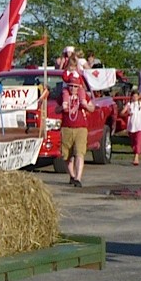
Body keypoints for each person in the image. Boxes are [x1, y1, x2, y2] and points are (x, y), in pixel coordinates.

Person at [59, 57, 96, 187]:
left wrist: (85, 105)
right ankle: (72, 176)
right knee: (67, 155)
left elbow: (93, 107)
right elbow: (57, 109)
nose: (73, 88)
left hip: (81, 127)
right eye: (72, 86)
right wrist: (63, 107)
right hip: (67, 127)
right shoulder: (64, 90)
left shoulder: (82, 92)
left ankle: (78, 178)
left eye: (75, 86)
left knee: (80, 153)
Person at [125, 90, 141, 166]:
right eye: (133, 96)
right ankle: (136, 152)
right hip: (131, 126)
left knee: (138, 142)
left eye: (136, 96)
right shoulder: (129, 105)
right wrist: (127, 113)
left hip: (140, 126)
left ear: (138, 97)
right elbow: (121, 112)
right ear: (131, 97)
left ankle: (136, 158)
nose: (135, 98)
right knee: (133, 143)